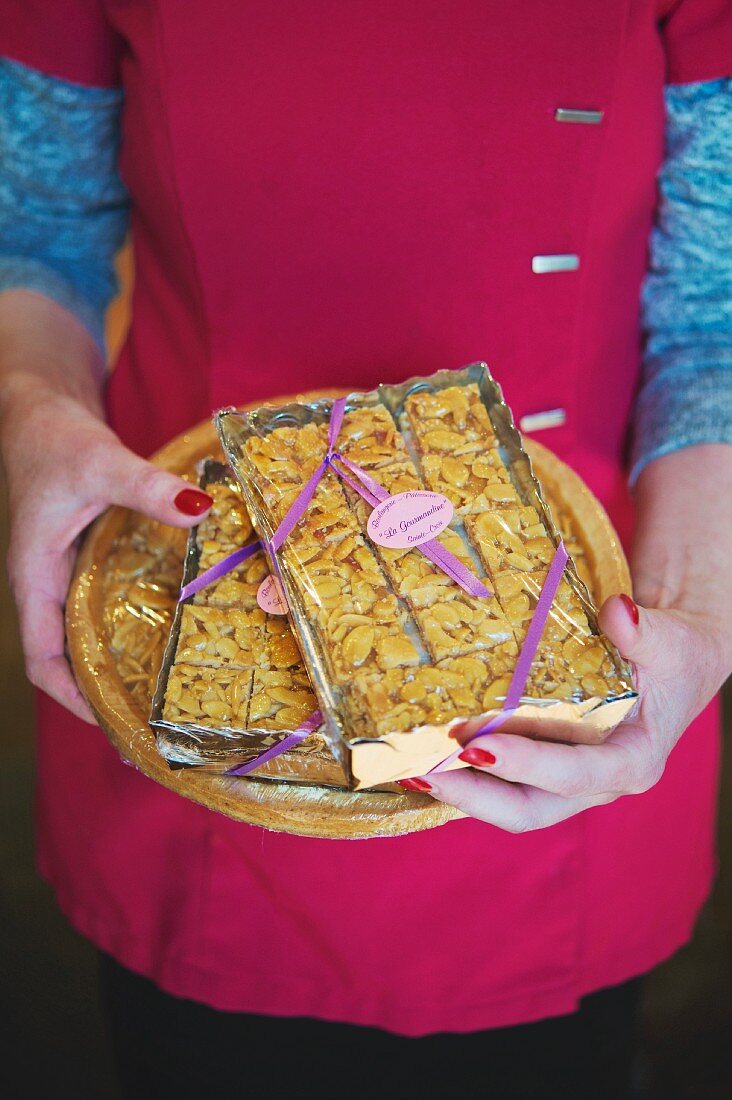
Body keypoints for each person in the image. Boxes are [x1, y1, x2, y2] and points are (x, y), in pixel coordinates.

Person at [0, 3, 730, 1097]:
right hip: (184, 639)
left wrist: (703, 611)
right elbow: (34, 232)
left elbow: (714, 317)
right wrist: (28, 410)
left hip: (569, 681)